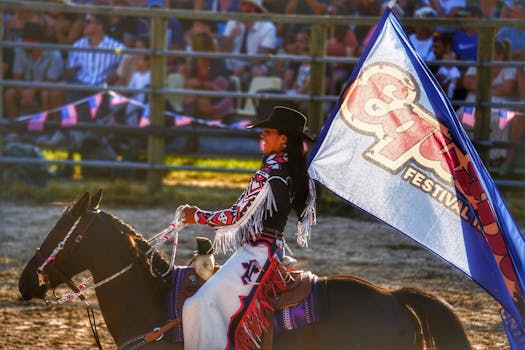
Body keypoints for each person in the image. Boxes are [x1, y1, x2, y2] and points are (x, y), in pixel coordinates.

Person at [180, 106, 317, 350]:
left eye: (269, 131)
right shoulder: (281, 171)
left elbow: (237, 216)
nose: (263, 135)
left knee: (198, 304)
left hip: (259, 254)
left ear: (283, 139)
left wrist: (197, 215)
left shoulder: (273, 173)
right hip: (258, 250)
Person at [462, 39, 518, 164]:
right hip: (474, 102)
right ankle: (469, 155)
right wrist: (493, 88)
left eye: (497, 55)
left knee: (501, 121)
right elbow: (467, 82)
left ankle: (496, 157)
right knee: (465, 118)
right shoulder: (478, 63)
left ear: (501, 56)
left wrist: (480, 87)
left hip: (502, 105)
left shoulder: (509, 68)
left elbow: (507, 89)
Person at [3, 22, 65, 119]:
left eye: (25, 40)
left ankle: (46, 128)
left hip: (44, 89)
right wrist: (24, 94)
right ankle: (16, 128)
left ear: (37, 41)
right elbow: (16, 77)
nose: (22, 42)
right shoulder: (20, 50)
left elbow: (50, 80)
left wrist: (32, 92)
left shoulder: (54, 55)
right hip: (25, 89)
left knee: (46, 94)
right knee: (9, 94)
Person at [222, 0, 277, 90]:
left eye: (244, 4)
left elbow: (262, 57)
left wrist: (245, 67)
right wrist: (231, 37)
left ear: (254, 9)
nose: (240, 8)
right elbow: (222, 51)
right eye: (241, 4)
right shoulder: (233, 22)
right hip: (233, 62)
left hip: (255, 64)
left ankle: (254, 102)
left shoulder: (268, 27)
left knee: (258, 72)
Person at [181, 30, 235, 120]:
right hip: (200, 95)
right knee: (190, 98)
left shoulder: (217, 63)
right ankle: (190, 126)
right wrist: (186, 76)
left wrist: (201, 84)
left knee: (193, 101)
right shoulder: (194, 62)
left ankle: (189, 125)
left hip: (219, 99)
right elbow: (189, 85)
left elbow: (221, 90)